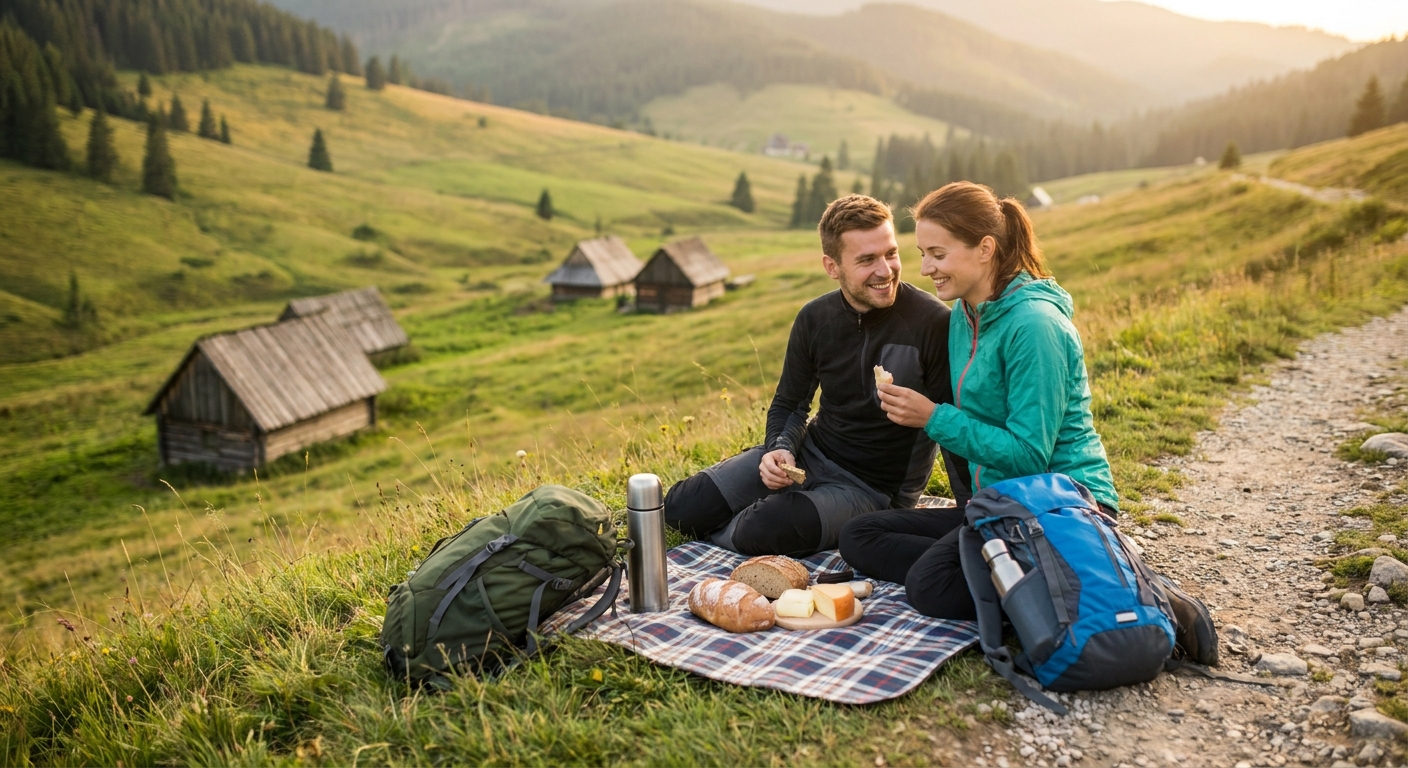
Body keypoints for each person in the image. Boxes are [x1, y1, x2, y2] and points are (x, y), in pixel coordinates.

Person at [839, 181, 1118, 619]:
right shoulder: (963, 318)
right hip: (1000, 501)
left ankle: (1081, 579)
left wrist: (933, 417)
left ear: (985, 248)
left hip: (1063, 503)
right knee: (859, 536)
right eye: (922, 254)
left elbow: (1029, 455)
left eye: (939, 253)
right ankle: (1009, 568)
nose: (927, 268)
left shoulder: (1036, 327)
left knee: (929, 586)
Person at [664, 194, 971, 557]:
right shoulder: (814, 318)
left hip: (872, 490)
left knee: (763, 528)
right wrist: (779, 450)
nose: (886, 270)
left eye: (890, 253)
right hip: (810, 454)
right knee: (680, 509)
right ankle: (750, 516)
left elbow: (952, 427)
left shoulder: (933, 324)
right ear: (832, 266)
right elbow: (790, 403)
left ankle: (750, 525)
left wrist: (971, 512)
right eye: (867, 260)